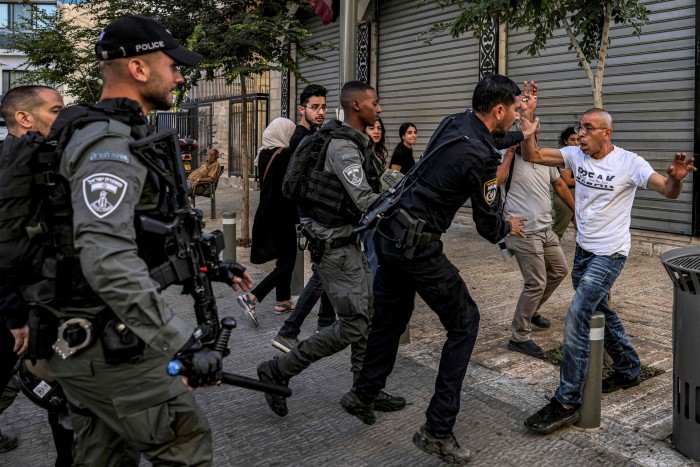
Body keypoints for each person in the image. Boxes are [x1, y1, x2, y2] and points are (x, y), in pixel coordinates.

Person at [33, 15, 252, 465]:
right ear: (137, 69)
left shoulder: (111, 134)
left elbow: (140, 234)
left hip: (87, 336)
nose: (179, 75)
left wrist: (211, 266)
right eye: (171, 64)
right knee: (184, 443)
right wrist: (181, 342)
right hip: (103, 341)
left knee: (104, 455)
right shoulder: (106, 146)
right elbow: (108, 261)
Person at [339, 74, 528, 465]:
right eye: (515, 109)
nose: (517, 114)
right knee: (465, 322)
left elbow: (490, 139)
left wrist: (521, 135)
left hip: (390, 236)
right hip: (418, 249)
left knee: (391, 319)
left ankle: (363, 393)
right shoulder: (480, 158)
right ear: (498, 109)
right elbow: (486, 225)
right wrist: (507, 226)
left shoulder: (455, 123)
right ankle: (437, 430)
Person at [519, 105, 695, 435]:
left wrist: (675, 179)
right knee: (601, 309)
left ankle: (567, 400)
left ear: (606, 133)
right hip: (584, 252)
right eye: (580, 128)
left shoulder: (630, 163)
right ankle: (628, 367)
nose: (581, 134)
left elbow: (668, 191)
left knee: (578, 313)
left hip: (610, 255)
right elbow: (534, 156)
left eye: (588, 128)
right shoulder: (575, 155)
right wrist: (529, 132)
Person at [258, 81, 404, 417]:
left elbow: (380, 180)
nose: (378, 109)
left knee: (367, 314)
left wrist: (411, 184)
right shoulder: (343, 148)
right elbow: (366, 200)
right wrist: (402, 206)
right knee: (355, 324)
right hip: (334, 249)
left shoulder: (358, 144)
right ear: (356, 106)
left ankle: (364, 391)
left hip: (347, 243)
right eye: (374, 103)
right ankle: (278, 369)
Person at [0, 85, 70, 463]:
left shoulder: (43, 162)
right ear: (25, 118)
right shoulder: (8, 168)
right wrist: (15, 316)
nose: (64, 117)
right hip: (15, 310)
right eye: (56, 110)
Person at [498, 109, 575, 358]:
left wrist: (577, 213)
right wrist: (510, 149)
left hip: (545, 229)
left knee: (559, 270)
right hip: (523, 231)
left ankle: (530, 312)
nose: (532, 135)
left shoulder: (544, 159)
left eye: (535, 131)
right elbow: (493, 183)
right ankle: (518, 336)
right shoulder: (508, 158)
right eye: (526, 132)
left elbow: (560, 184)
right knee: (536, 282)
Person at [270, 84, 337, 353]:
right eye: (314, 107)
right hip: (311, 216)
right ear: (302, 109)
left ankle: (325, 321)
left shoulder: (313, 135)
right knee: (323, 272)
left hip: (313, 214)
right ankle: (289, 330)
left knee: (327, 270)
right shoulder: (302, 139)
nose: (320, 112)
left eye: (323, 107)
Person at [237, 117, 298, 326]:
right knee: (288, 262)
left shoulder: (263, 153)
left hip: (267, 213)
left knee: (284, 259)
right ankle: (252, 297)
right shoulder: (285, 155)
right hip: (283, 215)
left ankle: (283, 301)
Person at [551, 126, 579, 238]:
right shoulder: (564, 155)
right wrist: (589, 180)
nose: (576, 143)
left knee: (582, 228)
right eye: (572, 140)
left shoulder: (580, 155)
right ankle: (545, 251)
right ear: (565, 141)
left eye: (578, 139)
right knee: (557, 232)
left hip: (577, 195)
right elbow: (568, 180)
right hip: (565, 196)